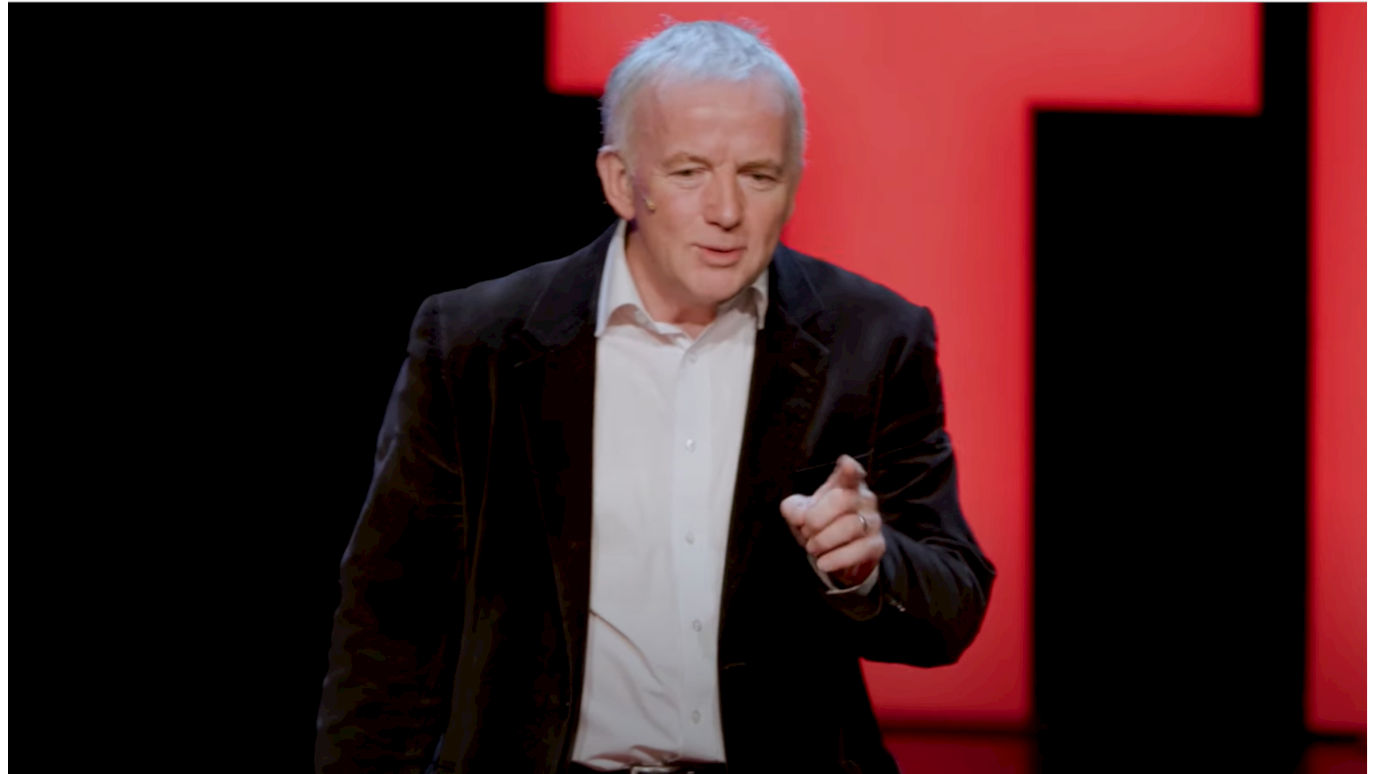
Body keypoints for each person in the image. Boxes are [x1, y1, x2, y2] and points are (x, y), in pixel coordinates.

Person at [316, 20, 995, 774]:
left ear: (794, 181)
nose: (727, 210)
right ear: (620, 181)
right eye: (689, 171)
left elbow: (951, 609)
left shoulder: (873, 339)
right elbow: (393, 618)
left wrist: (868, 569)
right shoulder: (478, 345)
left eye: (759, 175)